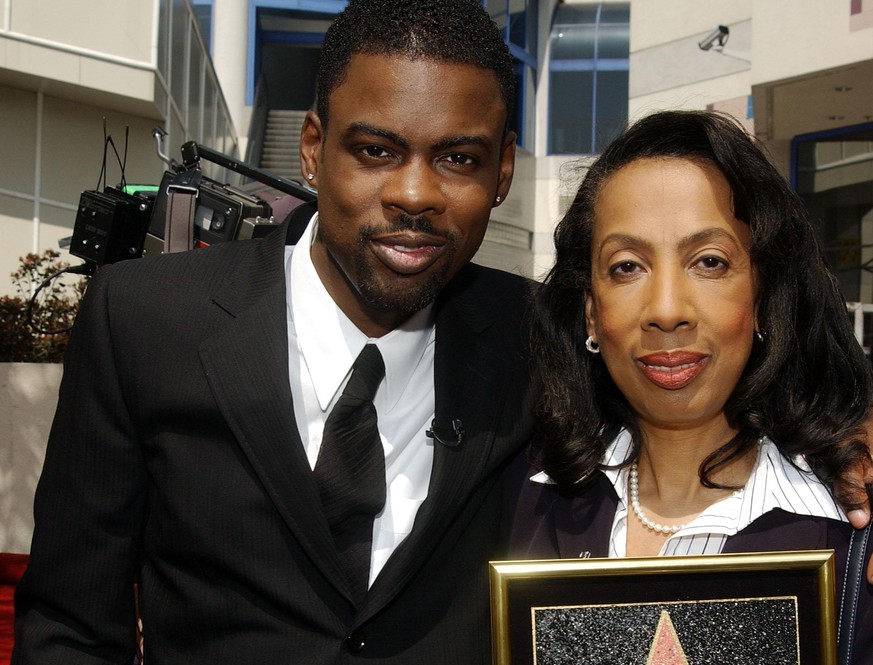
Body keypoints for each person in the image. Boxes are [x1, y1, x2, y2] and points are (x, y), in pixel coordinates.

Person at [13, 1, 532, 663]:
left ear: (502, 172)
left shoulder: (542, 339)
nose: (413, 194)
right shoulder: (145, 322)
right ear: (312, 150)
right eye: (376, 151)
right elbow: (70, 628)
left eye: (458, 158)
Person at [503, 110, 873, 658]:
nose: (668, 310)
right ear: (590, 313)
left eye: (709, 261)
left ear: (763, 297)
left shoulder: (849, 527)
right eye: (627, 267)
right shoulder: (526, 499)